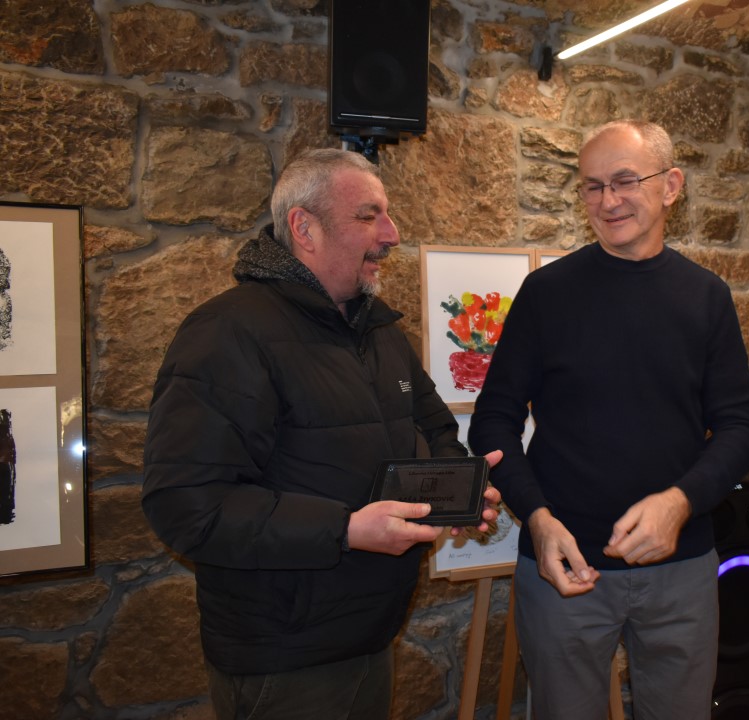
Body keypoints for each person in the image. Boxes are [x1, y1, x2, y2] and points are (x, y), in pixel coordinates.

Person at [142, 148, 501, 720]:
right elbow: (186, 505)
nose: (392, 234)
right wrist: (346, 530)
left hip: (369, 637)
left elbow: (434, 428)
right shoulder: (226, 332)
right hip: (284, 662)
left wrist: (460, 491)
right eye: (368, 216)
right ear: (304, 228)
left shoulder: (378, 331)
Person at [468, 120, 749, 719]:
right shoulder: (546, 293)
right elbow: (493, 422)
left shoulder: (706, 296)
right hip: (564, 565)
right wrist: (538, 520)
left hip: (682, 569)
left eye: (625, 181)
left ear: (671, 186)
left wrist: (679, 503)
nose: (608, 201)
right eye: (592, 186)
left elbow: (740, 429)